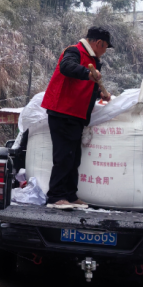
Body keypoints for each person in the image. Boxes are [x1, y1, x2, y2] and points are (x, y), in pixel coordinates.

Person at [41, 26, 113, 210]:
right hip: (62, 112)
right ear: (99, 43)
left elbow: (86, 88)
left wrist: (99, 94)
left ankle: (70, 196)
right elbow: (66, 67)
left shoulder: (93, 60)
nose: (105, 51)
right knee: (63, 156)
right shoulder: (74, 51)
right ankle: (56, 196)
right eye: (105, 47)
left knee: (74, 159)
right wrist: (87, 73)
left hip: (76, 115)